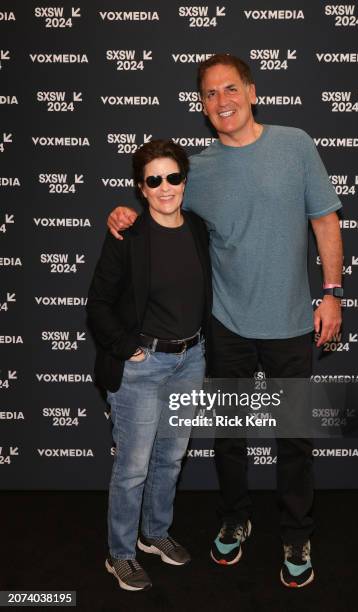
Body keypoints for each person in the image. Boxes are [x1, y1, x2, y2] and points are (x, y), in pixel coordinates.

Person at [107, 54, 343, 588]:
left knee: (294, 439)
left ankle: (295, 533)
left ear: (252, 92)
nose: (222, 101)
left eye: (230, 89)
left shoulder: (296, 144)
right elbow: (159, 210)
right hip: (226, 326)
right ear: (203, 106)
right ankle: (235, 519)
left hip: (290, 324)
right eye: (211, 95)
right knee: (229, 437)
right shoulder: (199, 169)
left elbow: (325, 219)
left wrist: (332, 293)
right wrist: (122, 213)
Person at [87, 140, 212, 591]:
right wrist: (127, 348)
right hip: (142, 366)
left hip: (191, 359)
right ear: (141, 189)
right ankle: (119, 554)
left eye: (173, 177)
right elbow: (98, 303)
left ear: (184, 180)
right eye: (153, 180)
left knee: (171, 458)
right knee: (134, 466)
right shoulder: (128, 235)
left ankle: (155, 533)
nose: (165, 188)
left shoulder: (198, 228)